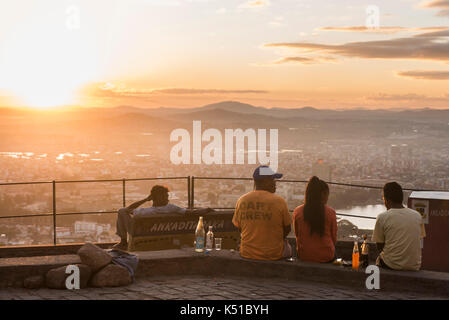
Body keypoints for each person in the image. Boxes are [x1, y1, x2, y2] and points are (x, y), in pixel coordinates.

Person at [114, 185, 213, 250]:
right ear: (158, 197)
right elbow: (191, 213)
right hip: (160, 232)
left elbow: (127, 210)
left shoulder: (144, 212)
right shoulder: (172, 208)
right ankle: (123, 242)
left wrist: (146, 199)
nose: (167, 198)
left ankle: (123, 241)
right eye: (165, 196)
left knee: (121, 210)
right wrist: (206, 210)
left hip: (139, 232)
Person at [232, 166, 292, 261]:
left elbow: (238, 226)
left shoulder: (242, 200)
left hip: (247, 252)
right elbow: (287, 228)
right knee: (289, 248)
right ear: (265, 181)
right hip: (273, 254)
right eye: (273, 180)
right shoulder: (279, 201)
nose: (275, 183)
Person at [372, 182, 425, 271]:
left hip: (391, 264)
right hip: (414, 265)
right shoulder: (417, 216)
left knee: (378, 260)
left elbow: (379, 246)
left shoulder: (382, 217)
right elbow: (417, 239)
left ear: (386, 200)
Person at [293, 176, 337, 263]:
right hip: (326, 256)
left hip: (304, 255)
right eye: (327, 195)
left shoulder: (297, 211)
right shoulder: (330, 212)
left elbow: (297, 235)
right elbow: (334, 238)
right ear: (323, 194)